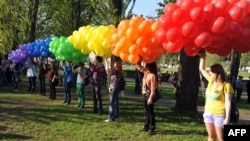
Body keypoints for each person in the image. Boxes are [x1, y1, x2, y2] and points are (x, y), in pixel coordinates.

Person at [199, 50, 234, 141]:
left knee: (221, 138)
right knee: (211, 137)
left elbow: (228, 102)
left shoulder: (226, 85)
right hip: (208, 114)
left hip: (219, 115)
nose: (209, 73)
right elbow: (202, 69)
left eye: (211, 72)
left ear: (218, 74)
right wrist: (203, 56)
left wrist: (227, 118)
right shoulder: (211, 81)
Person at [136, 62, 158, 135]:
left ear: (149, 67)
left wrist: (150, 98)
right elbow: (138, 66)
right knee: (146, 112)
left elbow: (153, 89)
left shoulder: (152, 76)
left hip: (149, 95)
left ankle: (152, 128)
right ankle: (146, 126)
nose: (144, 66)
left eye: (146, 65)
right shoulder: (145, 73)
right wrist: (139, 58)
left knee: (150, 112)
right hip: (145, 95)